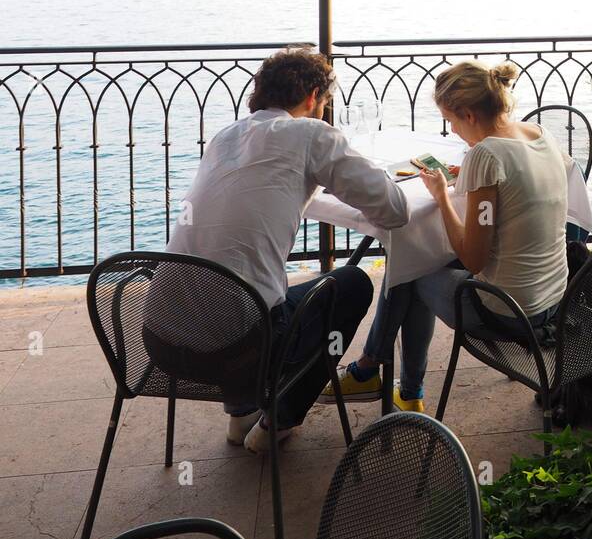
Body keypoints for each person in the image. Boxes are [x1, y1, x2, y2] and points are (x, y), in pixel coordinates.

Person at [150, 46, 408, 452]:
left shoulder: (225, 136)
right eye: (323, 102)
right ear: (312, 98)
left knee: (248, 288)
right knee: (352, 283)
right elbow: (393, 209)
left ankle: (243, 413)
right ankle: (278, 421)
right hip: (237, 350)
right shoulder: (311, 134)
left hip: (157, 341)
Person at [323, 60, 570, 412]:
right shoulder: (537, 134)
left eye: (451, 121)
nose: (452, 131)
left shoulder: (486, 155)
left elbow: (473, 259)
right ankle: (382, 377)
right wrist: (469, 179)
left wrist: (441, 196)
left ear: (468, 114)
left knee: (410, 269)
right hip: (554, 300)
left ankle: (388, 381)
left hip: (510, 312)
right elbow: (514, 195)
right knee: (413, 261)